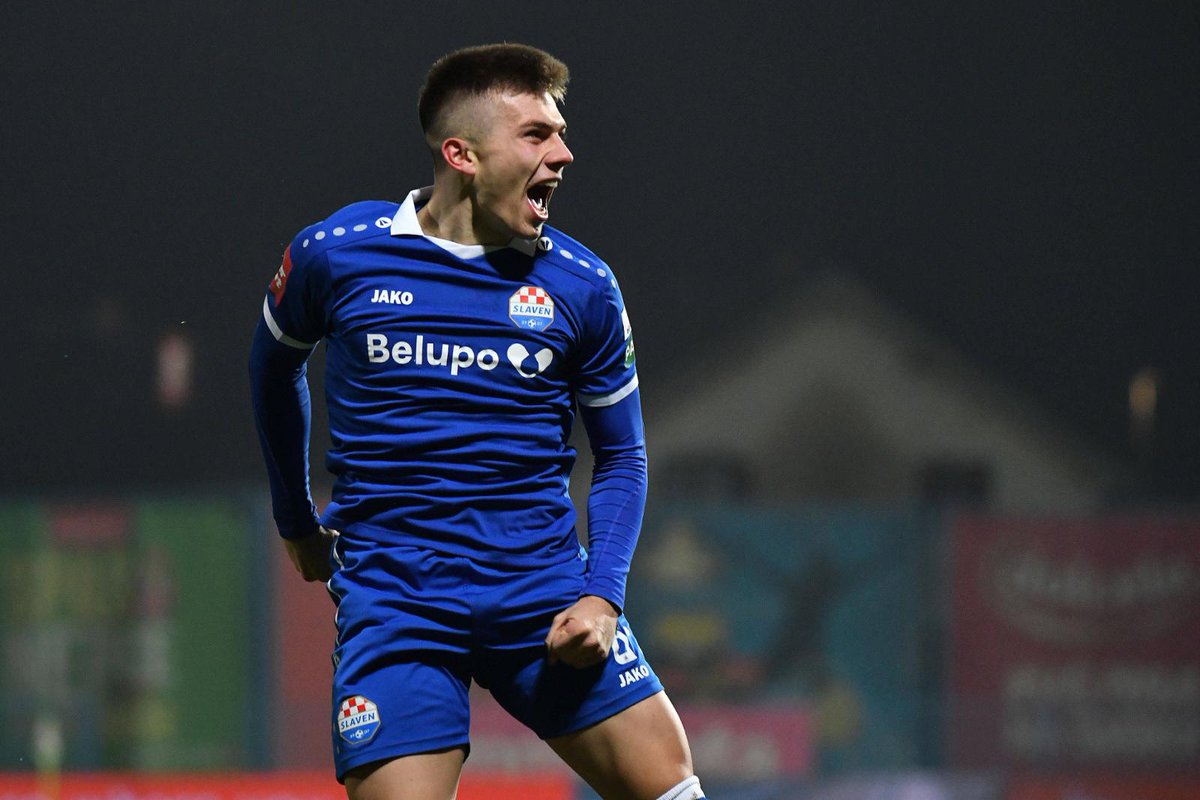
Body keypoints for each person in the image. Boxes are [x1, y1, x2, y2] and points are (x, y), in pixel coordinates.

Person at [249, 44, 707, 800]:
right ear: (461, 154)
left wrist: (601, 596)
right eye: (536, 134)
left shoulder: (583, 286)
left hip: (542, 593)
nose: (562, 154)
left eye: (560, 133)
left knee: (672, 789)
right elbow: (273, 367)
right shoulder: (337, 255)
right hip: (398, 602)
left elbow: (622, 456)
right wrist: (295, 519)